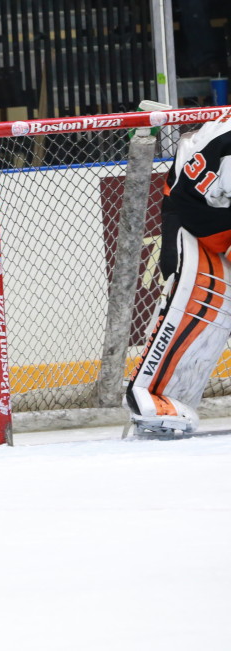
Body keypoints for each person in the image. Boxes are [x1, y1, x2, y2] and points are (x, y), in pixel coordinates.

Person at [126, 112, 231, 436]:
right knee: (197, 307)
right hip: (199, 225)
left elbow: (187, 147)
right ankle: (153, 397)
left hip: (203, 216)